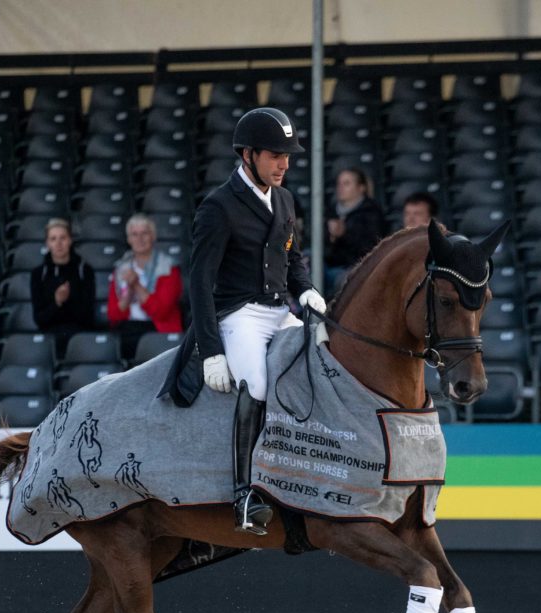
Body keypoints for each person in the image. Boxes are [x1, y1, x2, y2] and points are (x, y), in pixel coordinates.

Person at [159, 107, 327, 535]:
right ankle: (245, 495)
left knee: (320, 364)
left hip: (278, 310)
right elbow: (199, 282)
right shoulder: (219, 206)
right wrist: (213, 352)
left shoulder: (285, 199)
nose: (284, 164)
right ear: (248, 154)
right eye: (275, 155)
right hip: (240, 314)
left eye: (287, 156)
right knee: (255, 381)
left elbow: (292, 256)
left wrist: (304, 287)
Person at [107, 213, 183, 361]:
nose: (139, 239)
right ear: (128, 239)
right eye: (134, 234)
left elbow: (161, 312)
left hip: (158, 330)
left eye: (144, 233)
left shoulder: (168, 267)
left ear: (153, 236)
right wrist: (128, 293)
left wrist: (136, 285)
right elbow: (114, 315)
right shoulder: (121, 268)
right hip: (129, 329)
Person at [30, 218, 98, 352]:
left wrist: (67, 300)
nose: (58, 243)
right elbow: (39, 319)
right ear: (47, 243)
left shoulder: (84, 271)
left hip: (79, 336)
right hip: (49, 337)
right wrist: (57, 302)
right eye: (53, 239)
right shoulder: (38, 274)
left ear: (70, 240)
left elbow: (88, 316)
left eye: (63, 238)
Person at [323, 167, 384, 293]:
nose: (340, 188)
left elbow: (370, 248)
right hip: (328, 266)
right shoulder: (331, 211)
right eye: (339, 183)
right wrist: (331, 238)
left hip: (355, 269)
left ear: (361, 188)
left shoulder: (372, 212)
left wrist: (344, 234)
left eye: (346, 183)